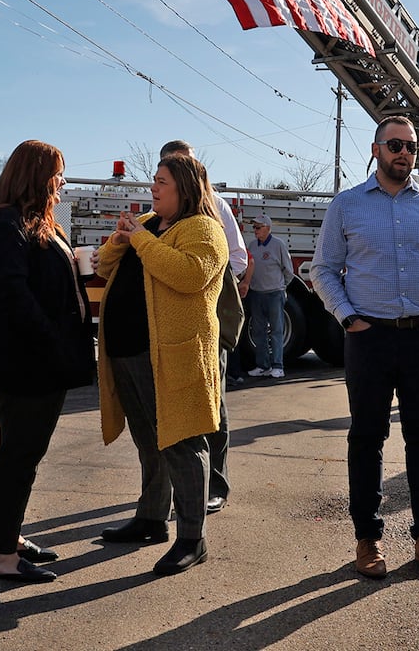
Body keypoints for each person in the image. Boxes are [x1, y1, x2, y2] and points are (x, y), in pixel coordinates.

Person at [313, 115, 419, 582]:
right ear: (377, 149)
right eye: (395, 144)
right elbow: (323, 269)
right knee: (367, 438)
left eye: (412, 146)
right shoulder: (347, 205)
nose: (404, 153)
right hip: (370, 339)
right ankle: (368, 537)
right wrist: (348, 318)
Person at [0, 141, 96, 583]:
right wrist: (54, 340)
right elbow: (12, 294)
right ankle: (1, 557)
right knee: (17, 454)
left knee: (24, 453)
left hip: (40, 359)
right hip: (28, 361)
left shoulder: (36, 221)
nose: (62, 181)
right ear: (36, 176)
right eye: (57, 173)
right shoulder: (6, 222)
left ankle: (10, 537)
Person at [96, 153, 227, 576]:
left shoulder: (205, 229)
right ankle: (152, 518)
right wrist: (119, 241)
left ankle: (193, 538)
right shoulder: (151, 224)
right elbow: (103, 265)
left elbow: (188, 275)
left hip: (175, 354)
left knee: (183, 442)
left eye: (161, 181)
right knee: (149, 440)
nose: (153, 188)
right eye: (154, 180)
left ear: (185, 186)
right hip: (129, 351)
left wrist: (140, 241)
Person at [158, 139, 248, 515]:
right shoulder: (159, 214)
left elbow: (239, 258)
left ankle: (217, 483)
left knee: (214, 406)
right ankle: (171, 490)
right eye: (165, 169)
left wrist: (209, 288)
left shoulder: (215, 207)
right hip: (168, 329)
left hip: (206, 324)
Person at [241, 213, 295, 379]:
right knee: (259, 331)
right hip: (257, 294)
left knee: (277, 330)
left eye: (258, 227)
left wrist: (281, 287)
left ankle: (278, 366)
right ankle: (262, 365)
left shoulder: (278, 245)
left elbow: (289, 271)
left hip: (274, 294)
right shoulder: (251, 245)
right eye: (254, 227)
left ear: (267, 228)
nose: (255, 230)